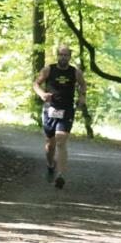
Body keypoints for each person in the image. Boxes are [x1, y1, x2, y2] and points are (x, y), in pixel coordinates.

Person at [32, 45, 87, 189]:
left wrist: (82, 97)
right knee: (50, 143)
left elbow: (82, 85)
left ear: (70, 56)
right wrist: (42, 94)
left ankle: (60, 175)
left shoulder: (75, 72)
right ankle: (51, 165)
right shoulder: (49, 69)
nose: (63, 57)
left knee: (61, 140)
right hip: (50, 109)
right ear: (57, 56)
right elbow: (36, 84)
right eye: (61, 55)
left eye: (66, 55)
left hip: (67, 109)